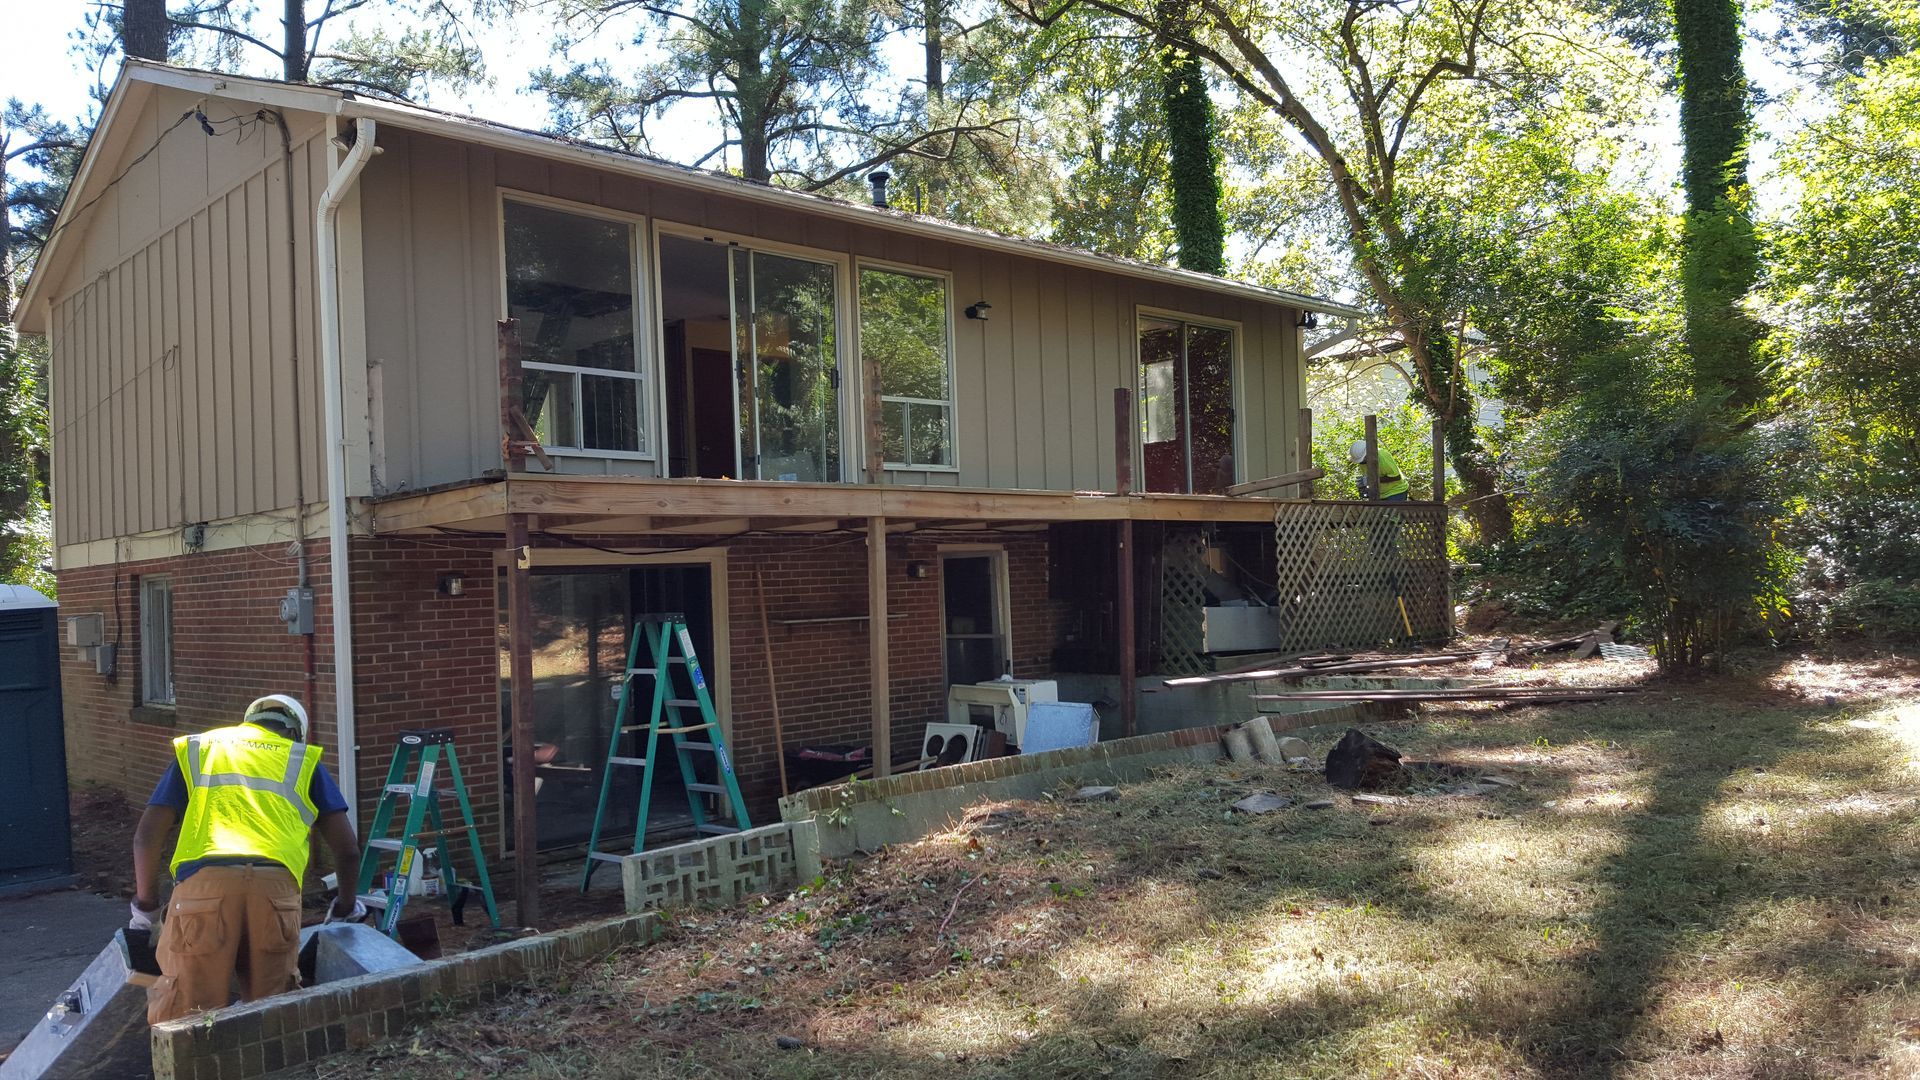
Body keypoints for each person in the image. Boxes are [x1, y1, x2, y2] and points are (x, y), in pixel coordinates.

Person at [130, 694, 365, 1023]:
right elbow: (348, 851)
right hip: (274, 894)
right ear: (296, 733)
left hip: (204, 890)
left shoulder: (201, 749)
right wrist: (344, 907)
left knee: (186, 1016)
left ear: (250, 721)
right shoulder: (301, 760)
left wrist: (146, 908)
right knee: (271, 1018)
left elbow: (146, 836)